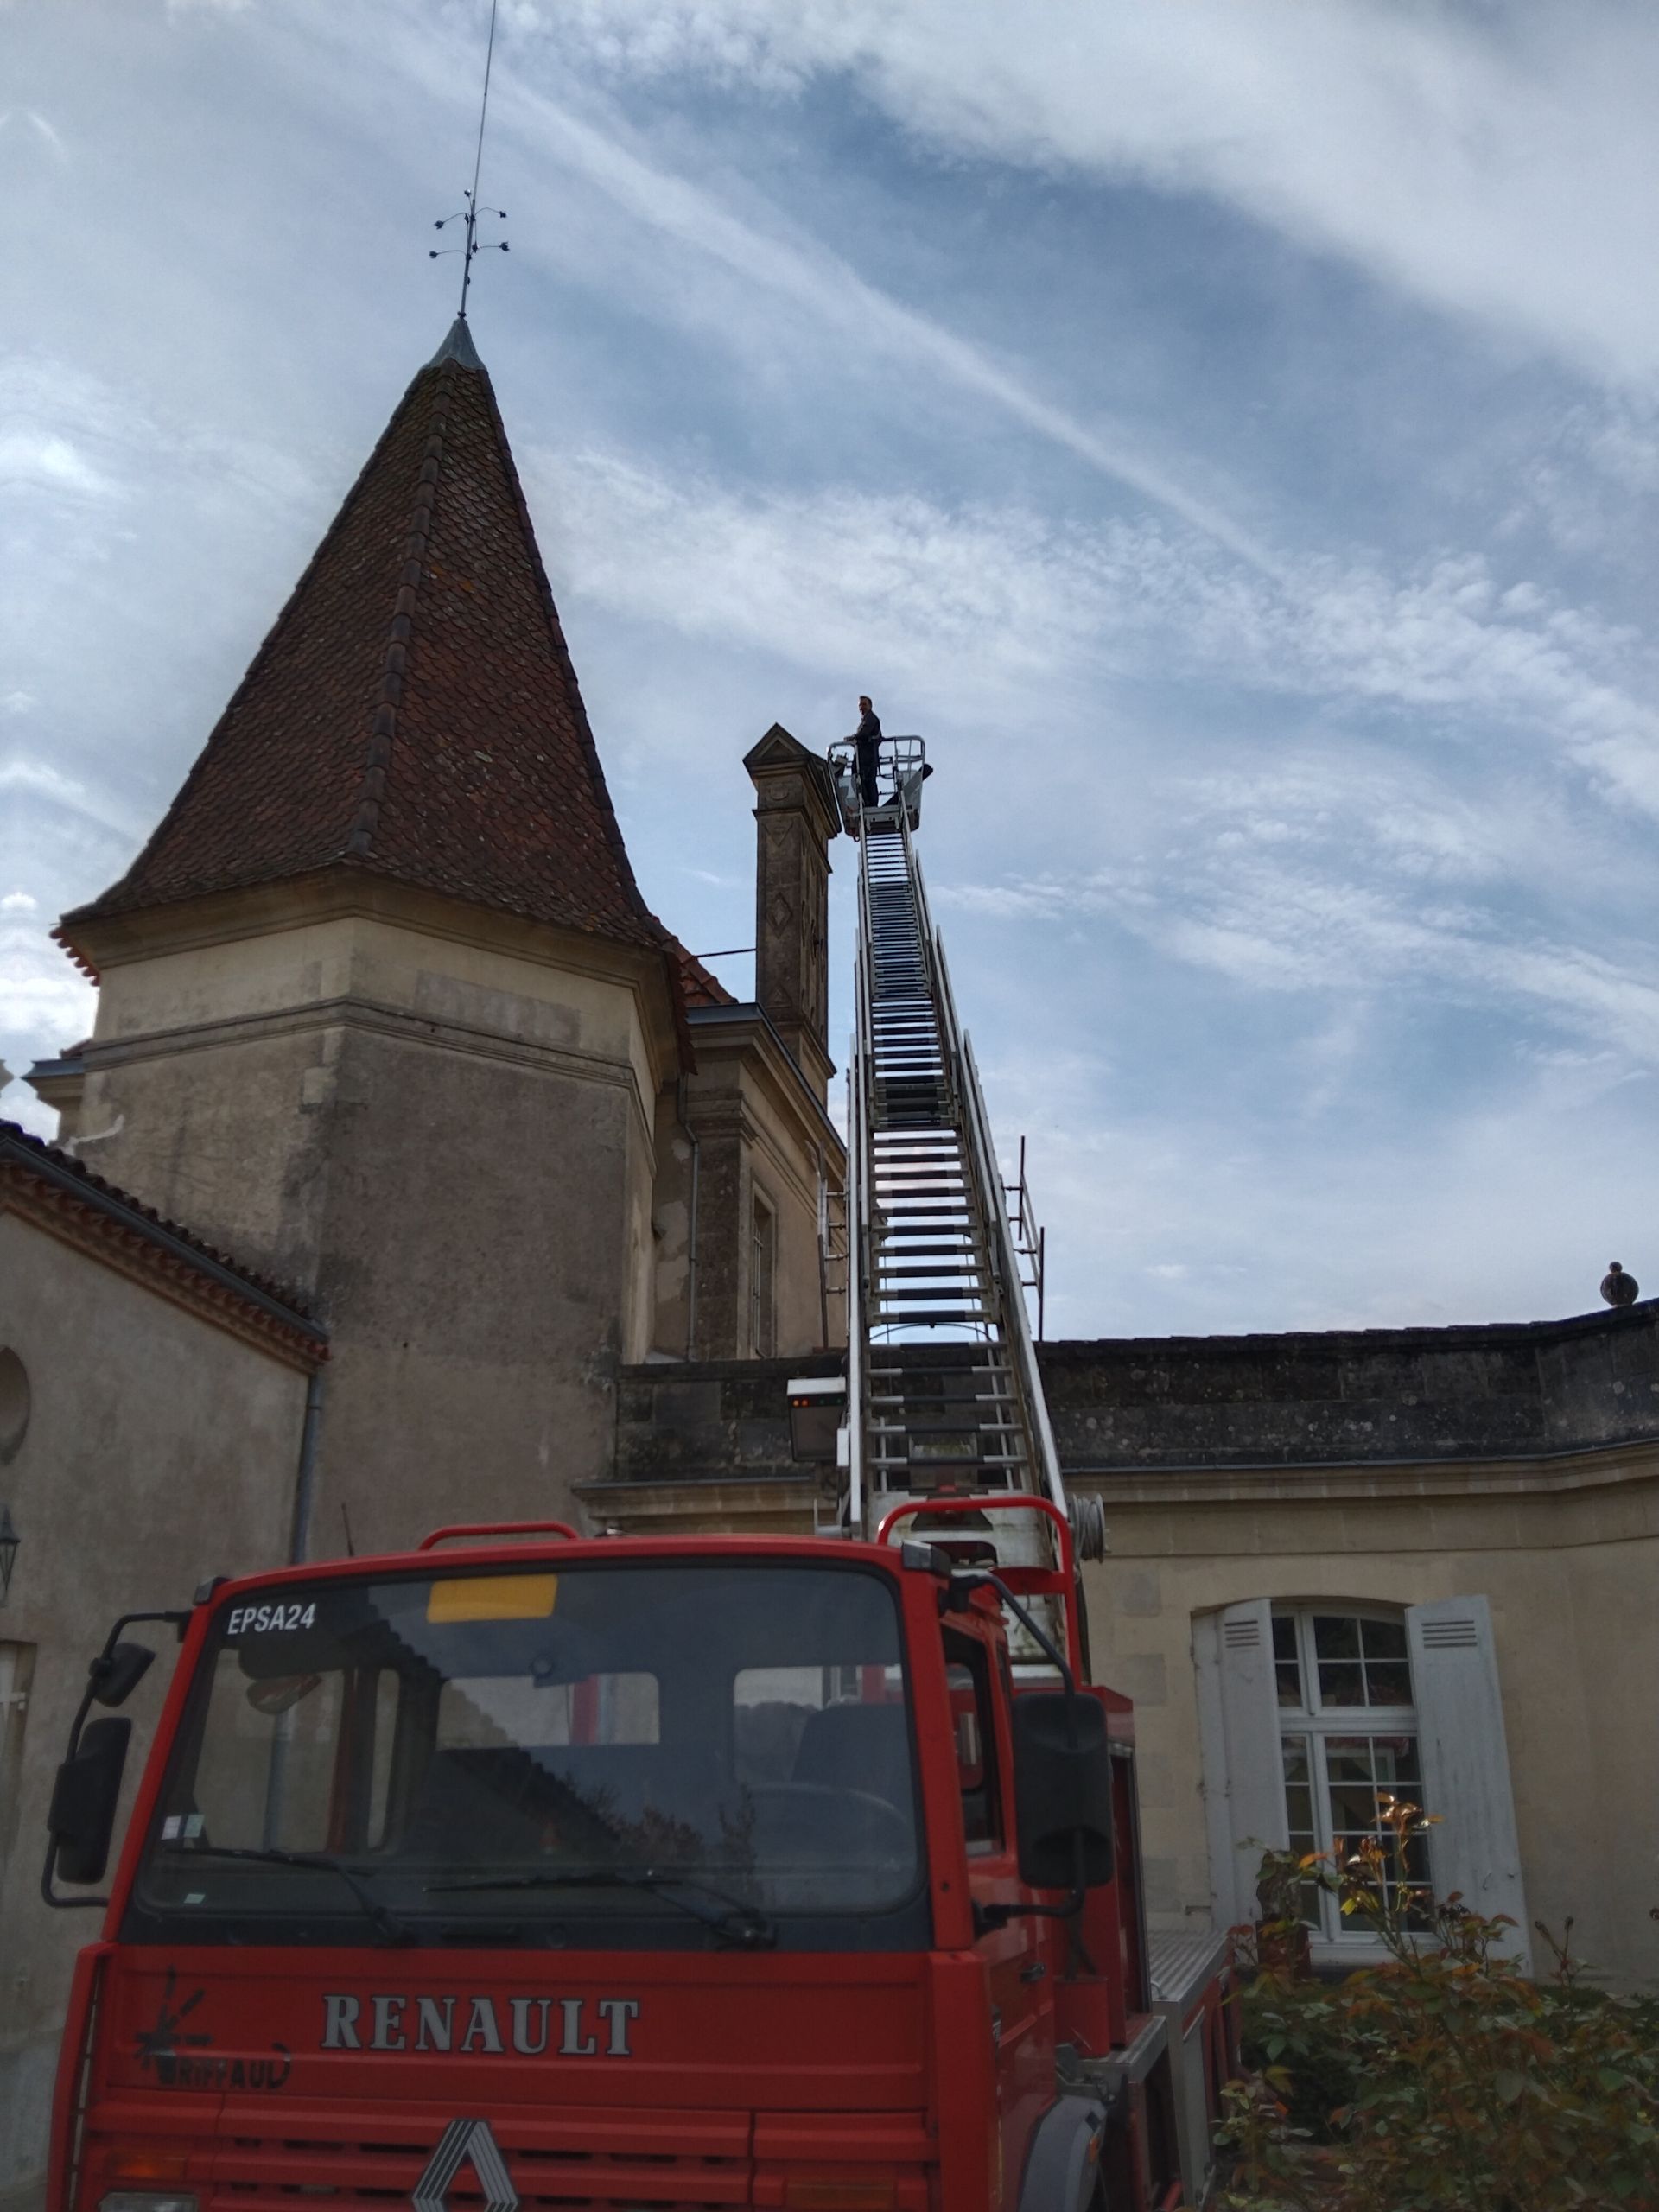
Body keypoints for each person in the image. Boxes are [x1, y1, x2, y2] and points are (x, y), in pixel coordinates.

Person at [851, 696, 882, 808]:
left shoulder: (871, 718)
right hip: (865, 756)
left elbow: (864, 733)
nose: (861, 707)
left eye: (864, 704)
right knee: (862, 779)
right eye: (860, 705)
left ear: (870, 706)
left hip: (868, 758)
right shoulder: (866, 719)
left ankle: (870, 803)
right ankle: (865, 801)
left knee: (867, 780)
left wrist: (854, 738)